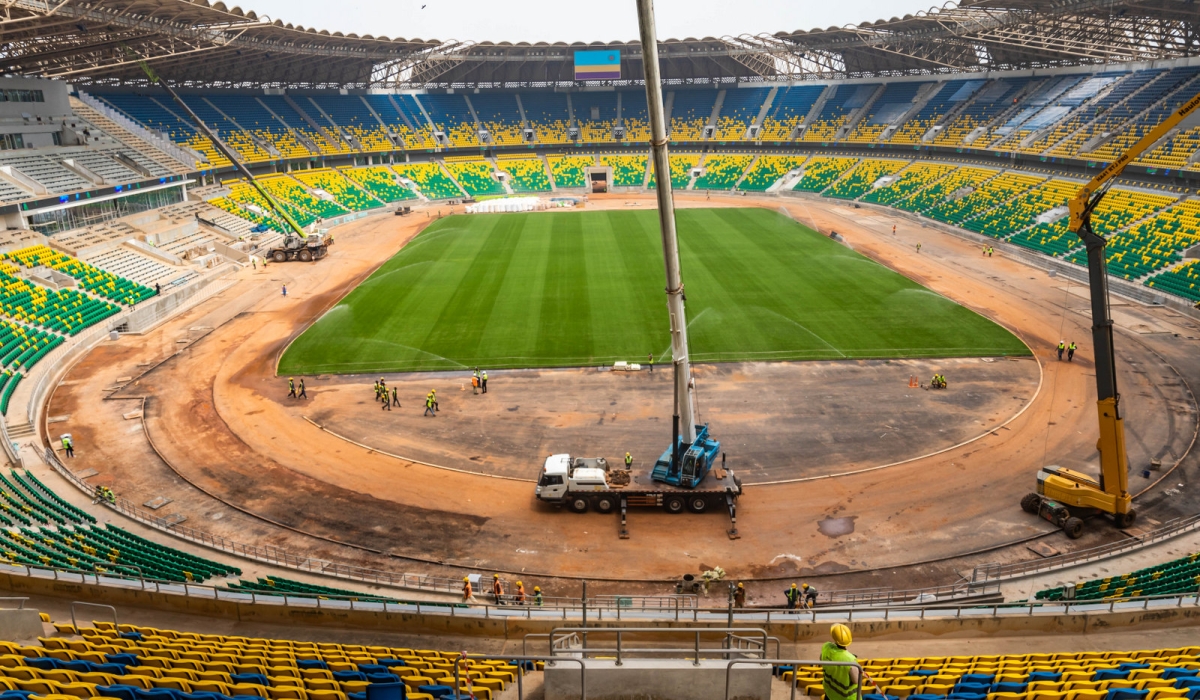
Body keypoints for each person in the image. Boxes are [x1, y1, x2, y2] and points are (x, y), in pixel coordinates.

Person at [821, 624, 861, 700]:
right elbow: (856, 680)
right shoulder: (850, 660)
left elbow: (821, 659)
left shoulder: (826, 647)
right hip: (847, 698)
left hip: (830, 694)